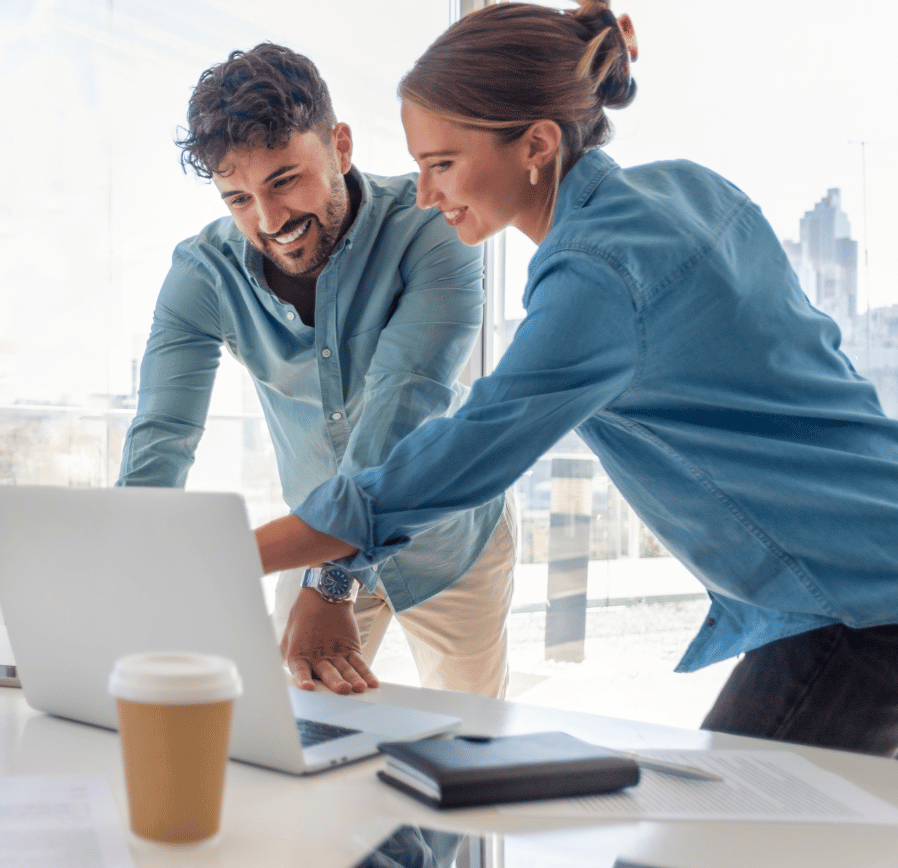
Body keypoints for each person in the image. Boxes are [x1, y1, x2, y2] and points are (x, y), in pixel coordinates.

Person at [255, 1, 898, 754]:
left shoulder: (596, 275)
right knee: (750, 854)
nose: (426, 196)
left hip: (858, 599)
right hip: (865, 556)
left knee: (713, 857)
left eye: (442, 165)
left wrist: (234, 556)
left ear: (536, 143)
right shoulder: (692, 190)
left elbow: (462, 453)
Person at [117, 44, 516, 698]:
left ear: (341, 145)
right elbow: (162, 434)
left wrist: (331, 581)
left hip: (450, 547)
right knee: (298, 738)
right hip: (313, 553)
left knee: (469, 739)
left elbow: (398, 408)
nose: (270, 221)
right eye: (238, 198)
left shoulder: (430, 231)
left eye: (284, 180)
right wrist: (122, 566)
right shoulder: (202, 273)